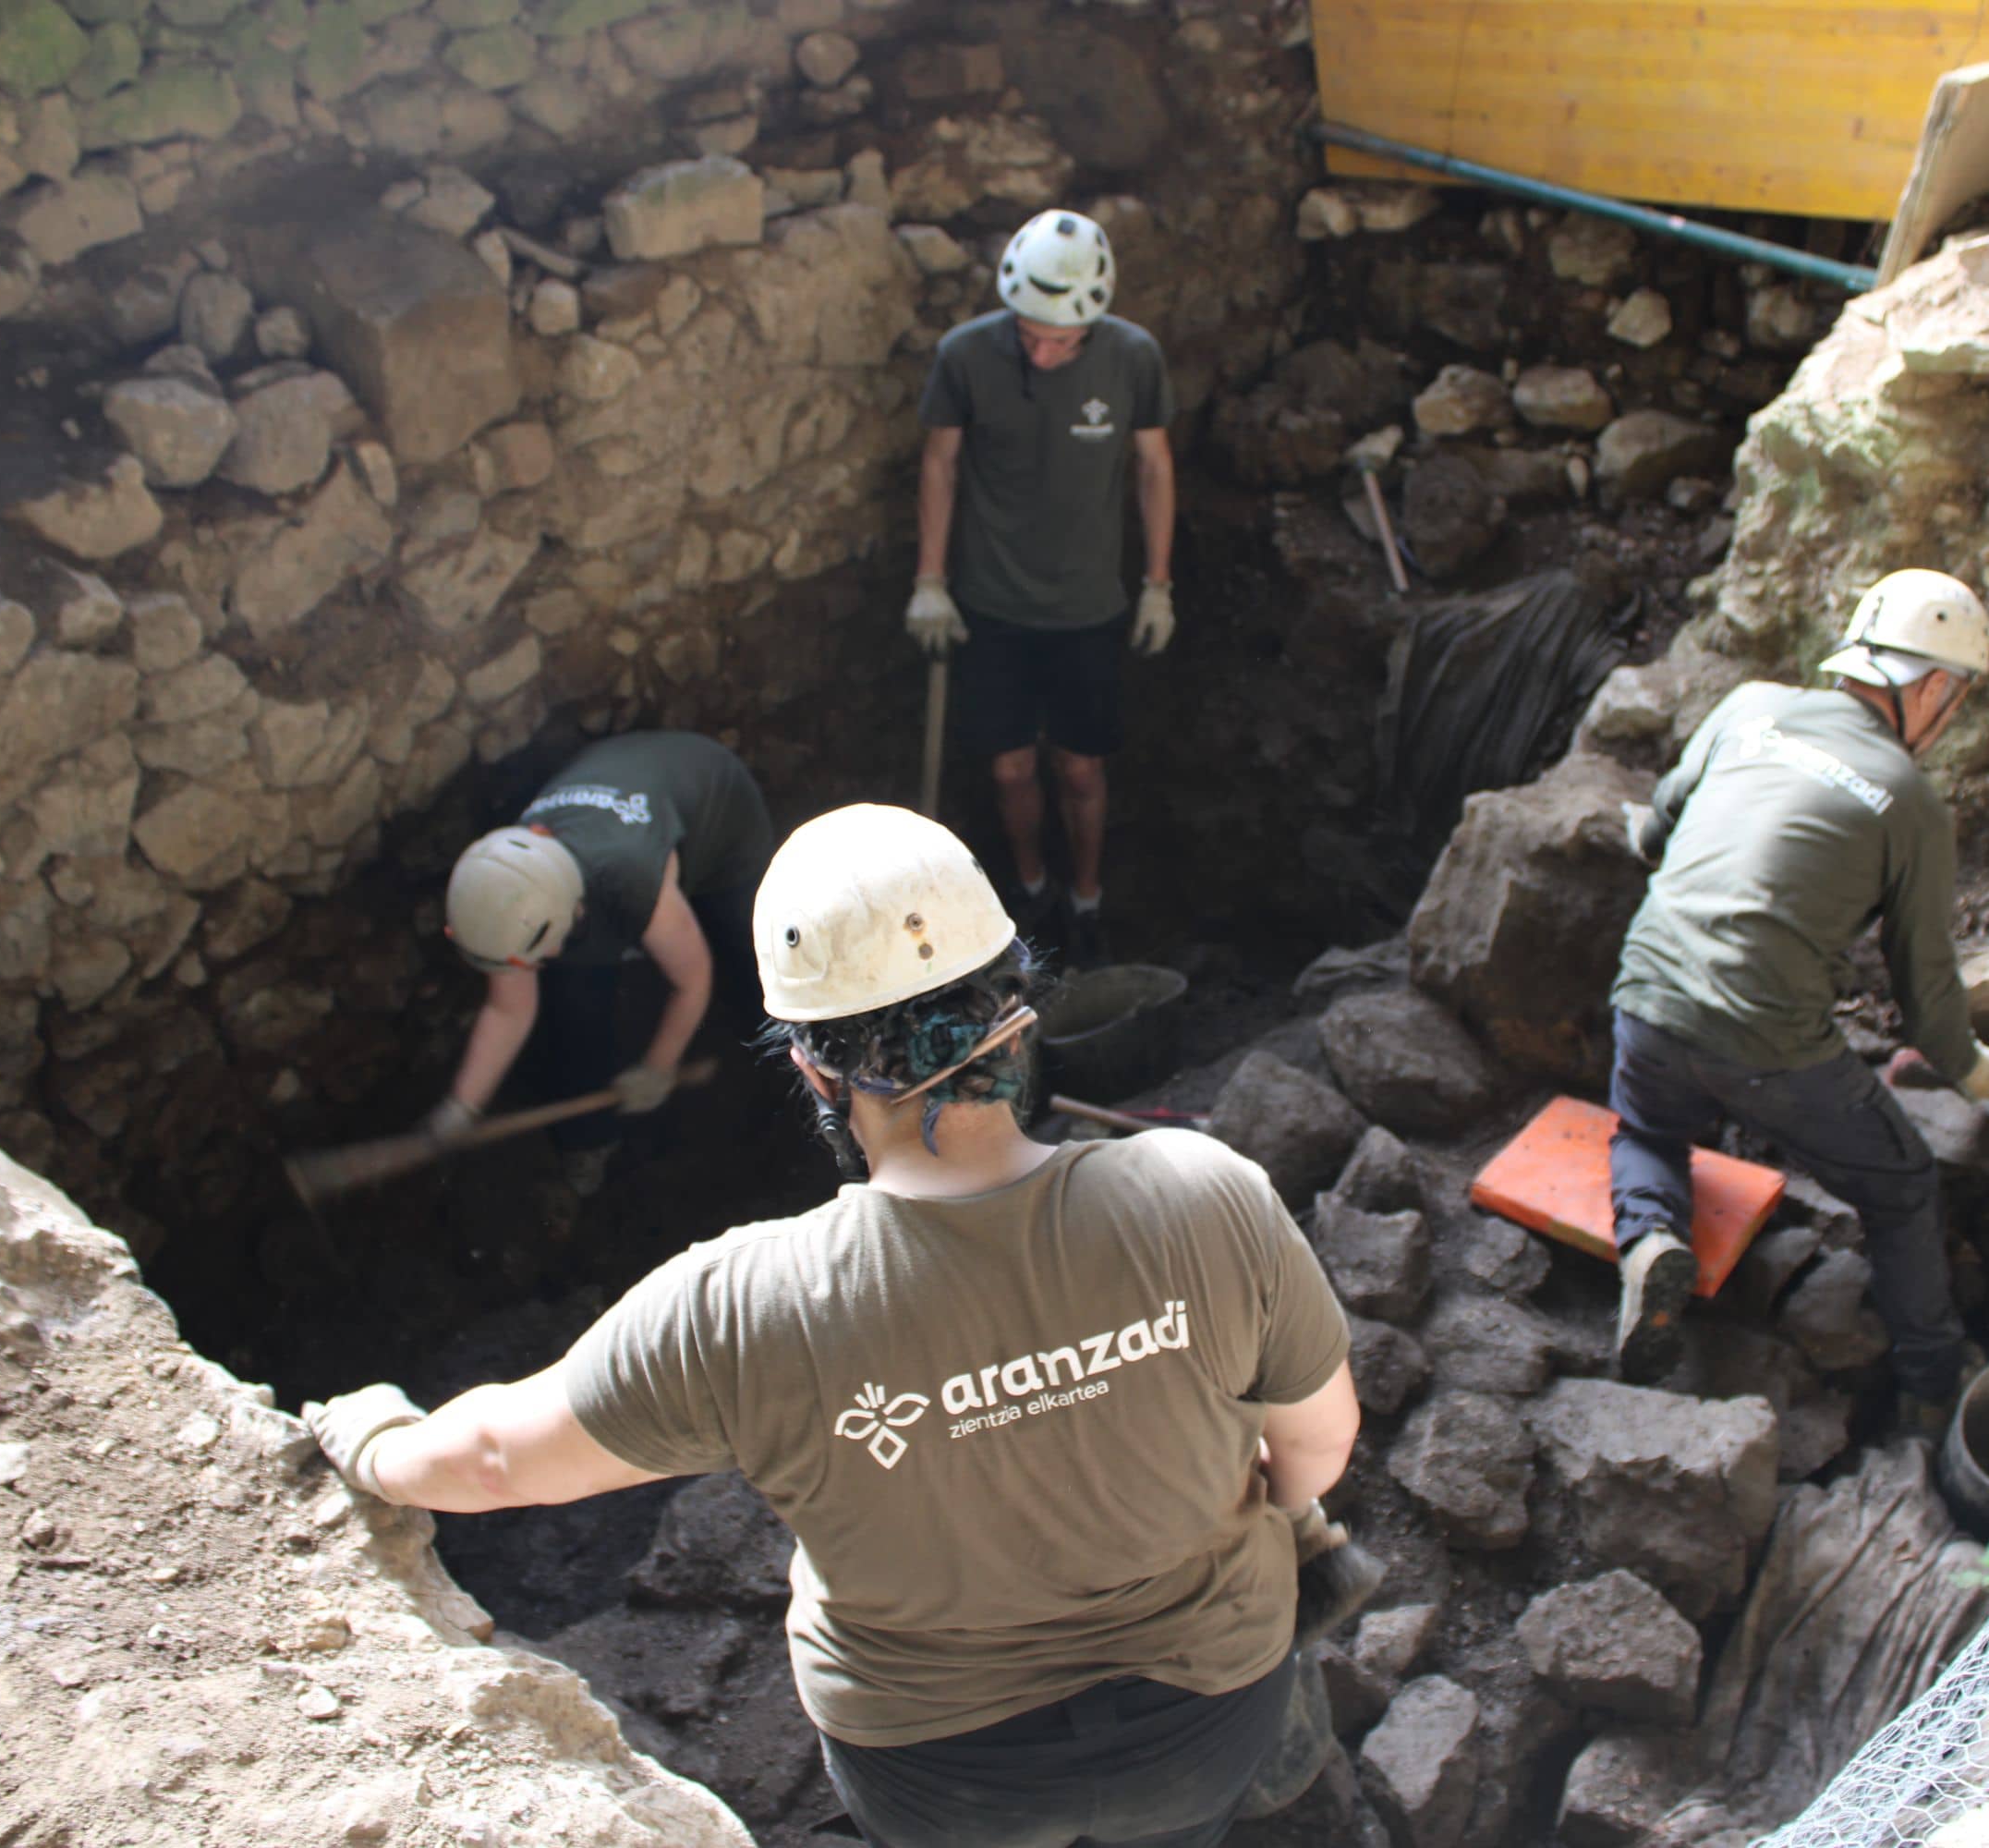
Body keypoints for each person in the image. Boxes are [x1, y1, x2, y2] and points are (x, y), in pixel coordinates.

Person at [309, 805, 1364, 1848]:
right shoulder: (1205, 1192)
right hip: (1204, 1722)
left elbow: (495, 1460)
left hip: (943, 1774)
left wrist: (374, 1441)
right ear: (1019, 1011)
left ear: (813, 1069)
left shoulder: (742, 1307)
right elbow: (1315, 1448)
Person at [1605, 570, 1989, 1412]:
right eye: (1957, 698)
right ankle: (1935, 1383)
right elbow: (1927, 999)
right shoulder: (1910, 802)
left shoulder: (1749, 706)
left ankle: (1648, 1241)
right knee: (1902, 1187)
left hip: (1646, 998)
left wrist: (1639, 827)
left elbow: (1659, 829)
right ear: (1932, 687)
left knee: (1646, 1128)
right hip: (1768, 1046)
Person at [908, 207, 1178, 967]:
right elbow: (939, 463)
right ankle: (1028, 890)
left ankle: (1085, 900)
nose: (1044, 350)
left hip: (1088, 608)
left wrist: (1158, 583)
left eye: (1061, 340)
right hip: (993, 605)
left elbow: (1154, 467)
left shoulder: (1133, 357)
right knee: (1010, 767)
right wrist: (930, 581)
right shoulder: (966, 357)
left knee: (1080, 766)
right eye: (1030, 335)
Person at [431, 730, 774, 1198]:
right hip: (625, 803)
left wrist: (659, 1066)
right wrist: (462, 1105)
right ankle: (589, 1143)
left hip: (718, 808)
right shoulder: (507, 889)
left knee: (751, 947)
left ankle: (787, 1062)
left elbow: (693, 980)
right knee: (575, 1009)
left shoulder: (631, 880)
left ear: (570, 918)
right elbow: (508, 1009)